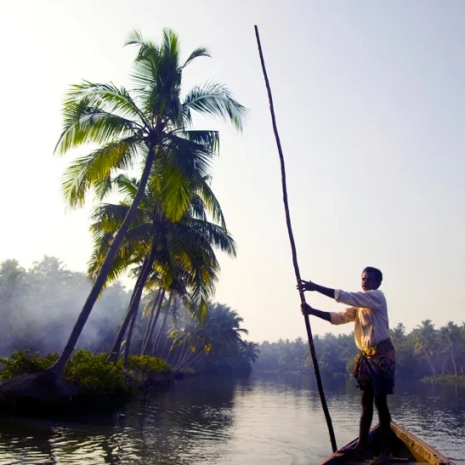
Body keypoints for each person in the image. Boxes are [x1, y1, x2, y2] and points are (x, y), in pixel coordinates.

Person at [297, 267, 395, 465]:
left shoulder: (376, 297)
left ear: (377, 283)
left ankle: (386, 451)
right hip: (367, 358)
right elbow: (339, 317)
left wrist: (315, 287)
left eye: (369, 279)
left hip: (382, 357)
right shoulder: (360, 306)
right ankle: (361, 447)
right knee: (365, 403)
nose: (365, 281)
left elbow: (346, 296)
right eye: (363, 278)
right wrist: (312, 311)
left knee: (380, 403)